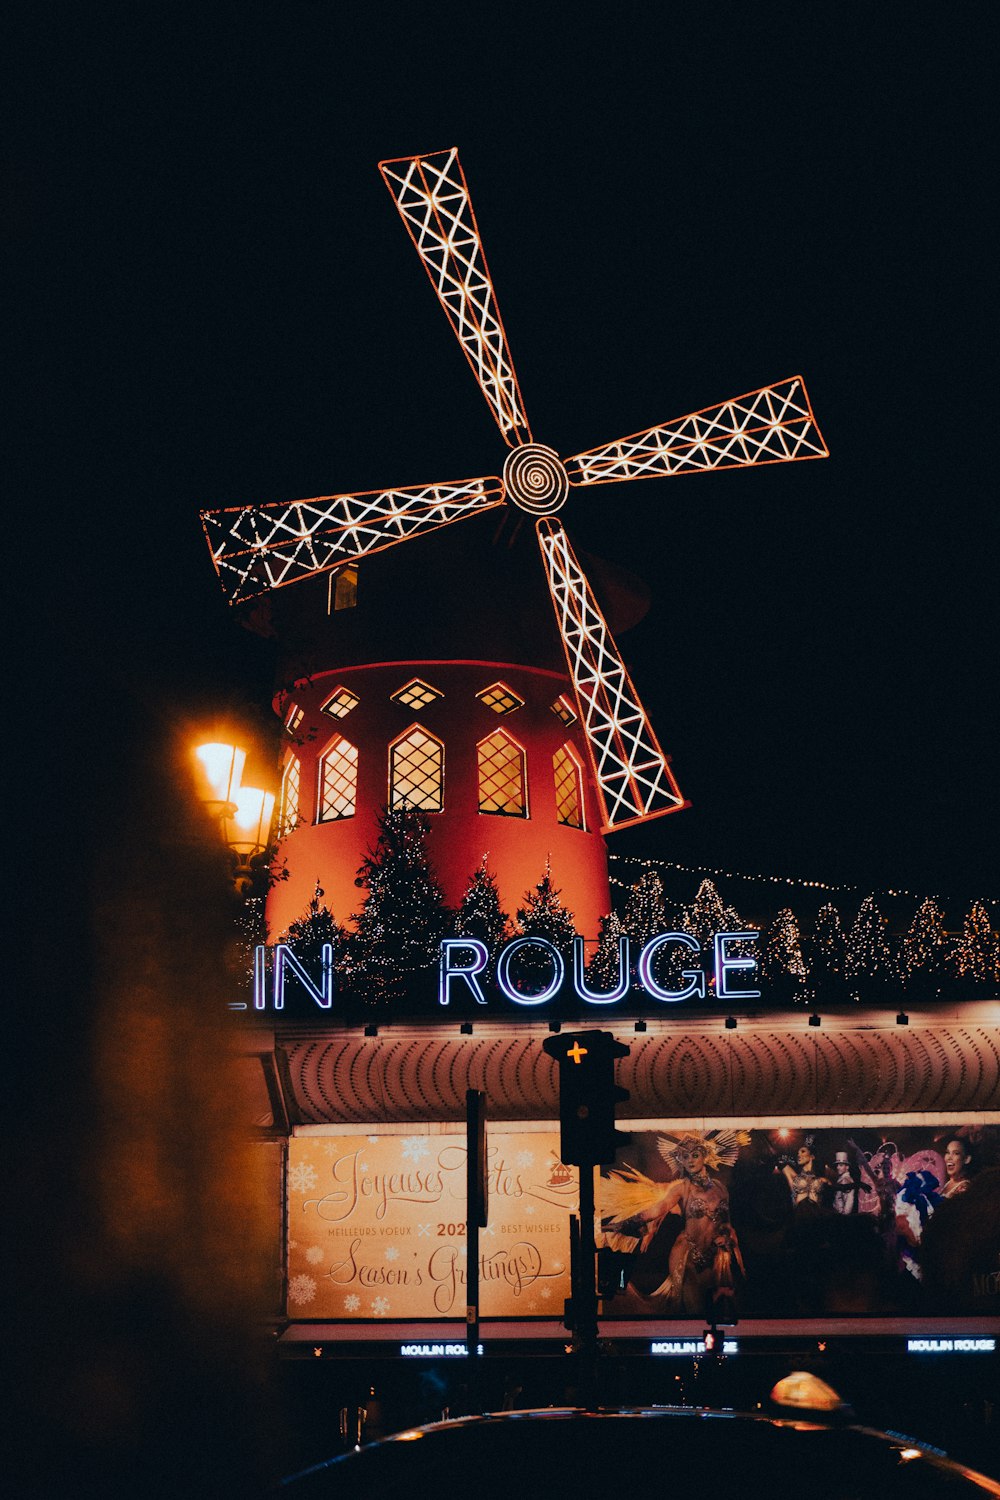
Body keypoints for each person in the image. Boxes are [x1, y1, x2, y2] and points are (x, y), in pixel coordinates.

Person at [601, 1129, 749, 1315]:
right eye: (685, 1156)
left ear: (705, 1156)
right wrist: (618, 1226)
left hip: (716, 1257)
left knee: (718, 1312)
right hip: (687, 1255)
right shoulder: (681, 1188)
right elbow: (654, 1212)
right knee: (693, 1310)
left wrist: (726, 1237)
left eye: (695, 1155)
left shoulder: (720, 1188)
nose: (690, 1160)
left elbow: (726, 1223)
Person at [780, 1139, 829, 1207]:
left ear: (812, 1156)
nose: (799, 1155)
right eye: (798, 1153)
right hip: (799, 1213)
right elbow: (779, 1160)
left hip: (816, 1214)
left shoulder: (822, 1179)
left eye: (803, 1151)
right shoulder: (792, 1174)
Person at [832, 1149, 861, 1215]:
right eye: (837, 1165)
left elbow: (849, 1202)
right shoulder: (842, 1179)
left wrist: (844, 1217)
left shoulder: (846, 1180)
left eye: (841, 1165)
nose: (838, 1167)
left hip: (842, 1217)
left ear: (847, 1167)